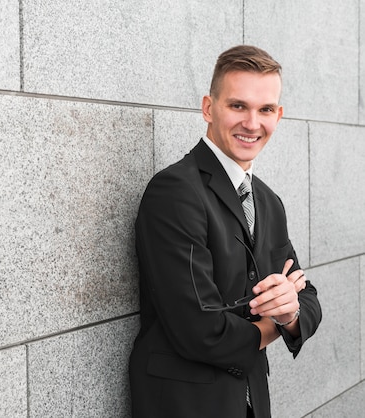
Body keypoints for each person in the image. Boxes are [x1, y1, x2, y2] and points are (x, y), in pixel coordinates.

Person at [128, 45, 322, 418]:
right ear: (208, 107)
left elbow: (306, 295)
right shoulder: (175, 192)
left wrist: (291, 310)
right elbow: (200, 330)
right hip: (186, 406)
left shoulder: (267, 200)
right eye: (238, 106)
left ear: (278, 116)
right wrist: (277, 322)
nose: (252, 123)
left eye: (265, 109)